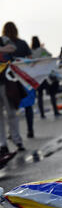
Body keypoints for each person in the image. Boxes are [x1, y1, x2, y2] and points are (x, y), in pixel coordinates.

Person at [0, 22, 26, 154]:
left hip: (5, 81)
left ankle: (17, 140)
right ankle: (2, 144)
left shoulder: (3, 39)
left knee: (11, 112)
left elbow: (12, 48)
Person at [31, 37, 62, 120]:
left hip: (37, 76)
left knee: (40, 96)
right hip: (46, 75)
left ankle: (42, 114)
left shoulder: (31, 52)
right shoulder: (42, 50)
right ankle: (55, 111)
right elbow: (50, 56)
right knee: (52, 94)